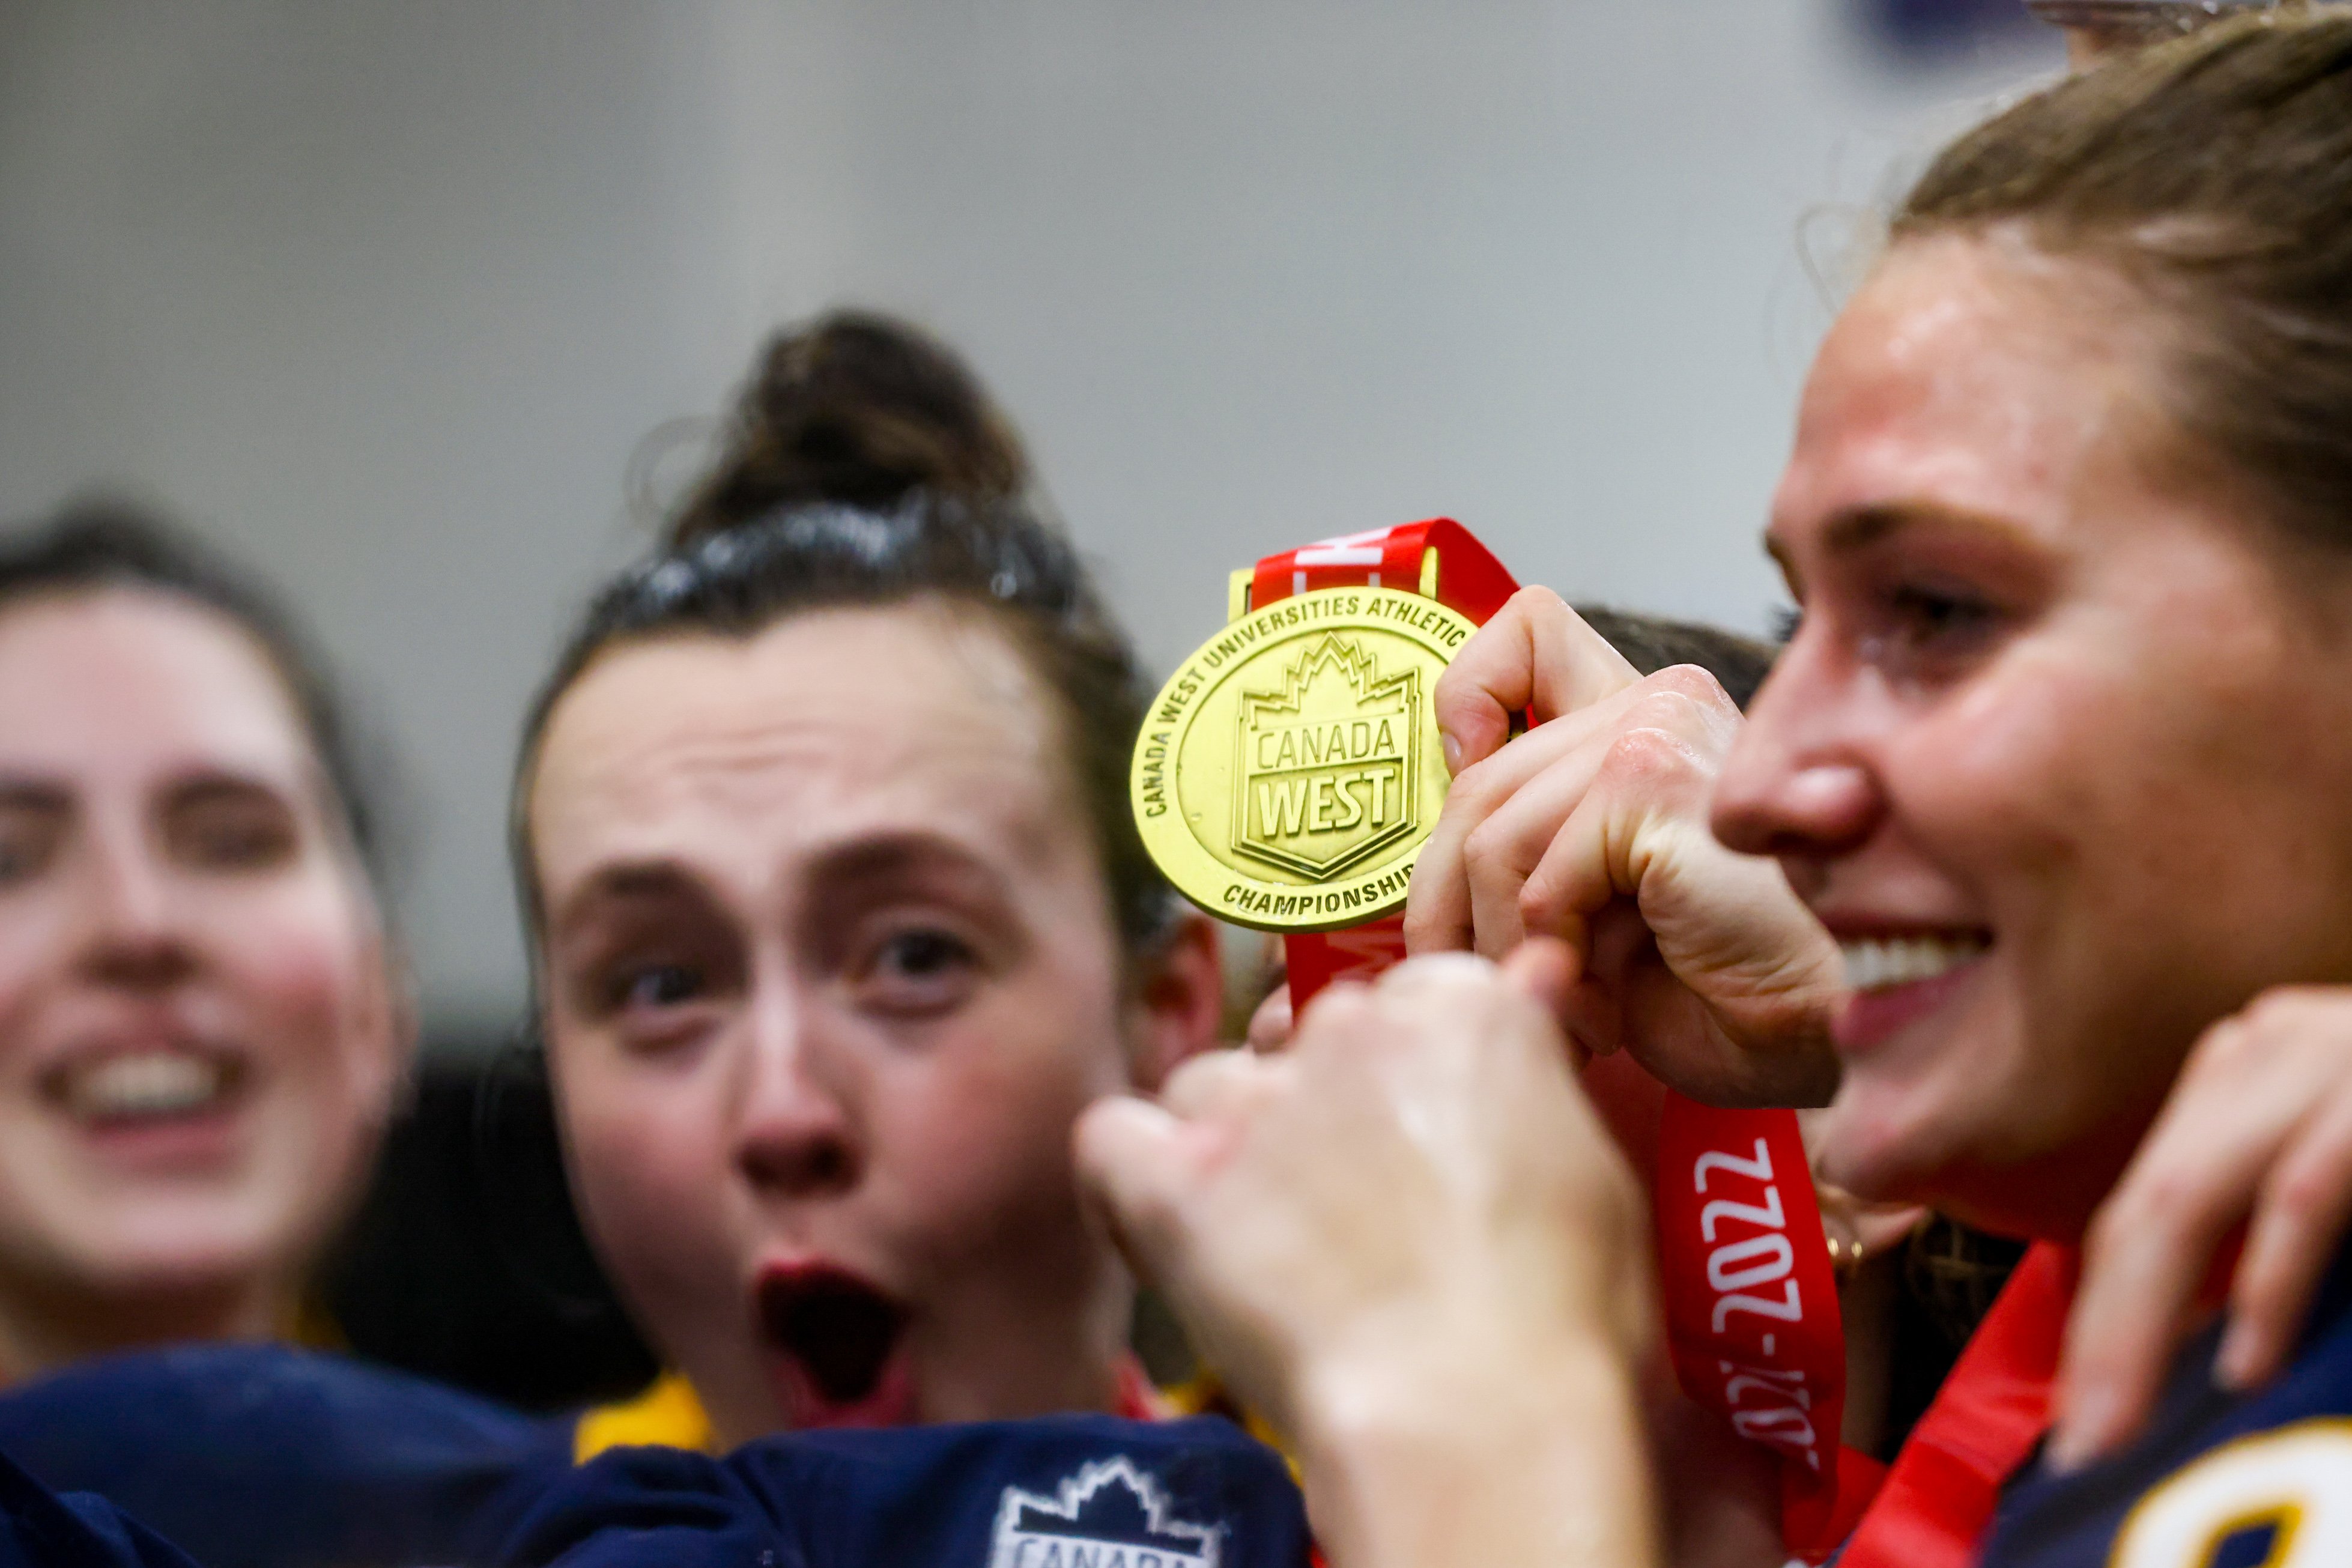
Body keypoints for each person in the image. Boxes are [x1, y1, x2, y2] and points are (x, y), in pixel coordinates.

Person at [1074, 14, 2352, 1565]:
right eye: (1801, 618)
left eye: (1938, 610)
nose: (1748, 783)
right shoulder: (2189, 1320)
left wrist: (1476, 1412)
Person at [0, 503, 407, 1385]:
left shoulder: (628, 1508)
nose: (138, 926)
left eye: (233, 843)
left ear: (383, 1003)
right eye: (8, 863)